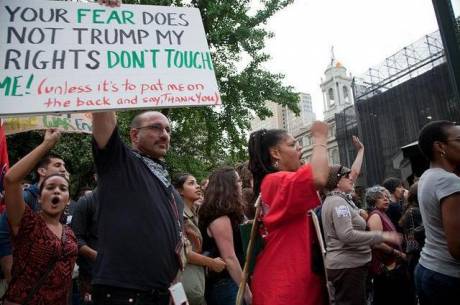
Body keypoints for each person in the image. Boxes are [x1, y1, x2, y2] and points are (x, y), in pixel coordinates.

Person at [91, 111, 184, 305]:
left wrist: (175, 291)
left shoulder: (167, 185)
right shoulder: (120, 162)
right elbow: (102, 112)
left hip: (160, 292)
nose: (165, 134)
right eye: (155, 127)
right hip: (124, 292)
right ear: (134, 135)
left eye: (167, 129)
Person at [247, 121, 330, 305]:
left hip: (288, 283)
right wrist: (320, 139)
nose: (299, 147)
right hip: (285, 289)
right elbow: (318, 177)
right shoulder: (275, 181)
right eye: (292, 144)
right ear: (275, 153)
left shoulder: (273, 182)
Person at [321, 136, 401, 305]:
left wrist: (361, 151)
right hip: (348, 268)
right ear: (337, 181)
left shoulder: (341, 197)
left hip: (351, 267)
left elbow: (353, 173)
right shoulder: (337, 202)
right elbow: (347, 235)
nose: (352, 178)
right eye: (347, 176)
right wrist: (382, 236)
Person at [3, 129, 78, 304]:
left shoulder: (69, 234)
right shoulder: (27, 222)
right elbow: (11, 180)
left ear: (68, 200)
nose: (57, 191)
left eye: (63, 189)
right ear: (39, 196)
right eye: (50, 187)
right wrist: (46, 145)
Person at [0, 152, 68, 294]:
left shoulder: (58, 203)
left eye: (64, 166)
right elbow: (4, 233)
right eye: (57, 165)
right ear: (41, 171)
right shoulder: (25, 197)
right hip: (23, 284)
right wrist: (9, 269)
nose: (63, 169)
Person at [415, 120, 460, 305]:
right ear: (440, 146)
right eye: (459, 139)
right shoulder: (448, 181)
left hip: (427, 268)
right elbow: (457, 247)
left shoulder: (428, 176)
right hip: (448, 277)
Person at [199, 167, 250, 305]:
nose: (241, 184)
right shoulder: (219, 216)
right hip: (226, 284)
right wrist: (245, 290)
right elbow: (229, 258)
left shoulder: (228, 212)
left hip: (231, 281)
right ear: (228, 186)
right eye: (238, 180)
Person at [173, 173, 226, 305]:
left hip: (197, 280)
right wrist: (212, 263)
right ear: (180, 191)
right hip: (186, 281)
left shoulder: (195, 213)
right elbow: (184, 252)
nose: (197, 186)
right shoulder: (179, 216)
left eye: (196, 183)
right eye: (191, 183)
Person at [365, 185, 414, 305]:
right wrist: (397, 253)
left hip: (393, 266)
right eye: (381, 197)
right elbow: (376, 243)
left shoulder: (383, 213)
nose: (386, 199)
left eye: (387, 197)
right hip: (387, 269)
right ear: (373, 200)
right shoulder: (376, 215)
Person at [71, 187, 99, 304]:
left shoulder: (126, 202)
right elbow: (75, 238)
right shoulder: (87, 201)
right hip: (92, 276)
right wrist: (97, 256)